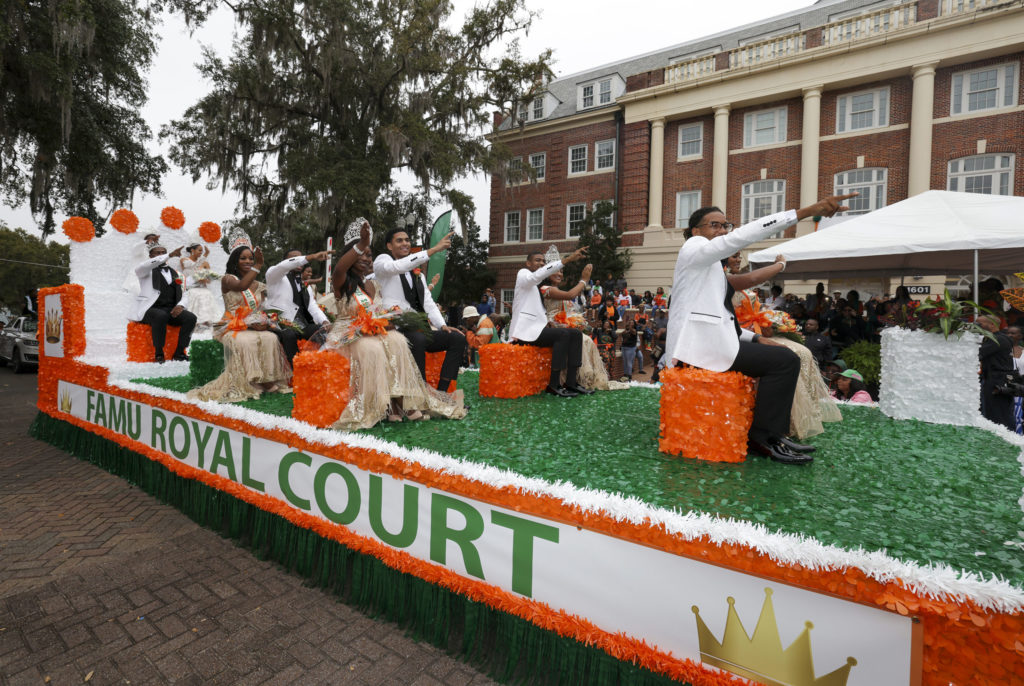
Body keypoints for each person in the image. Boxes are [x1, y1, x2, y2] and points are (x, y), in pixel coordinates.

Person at [665, 193, 856, 464]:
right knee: (785, 361)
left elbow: (718, 318)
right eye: (714, 225)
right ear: (695, 231)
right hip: (695, 351)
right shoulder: (693, 247)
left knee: (785, 356)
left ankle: (772, 434)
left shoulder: (711, 269)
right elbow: (738, 240)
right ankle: (762, 437)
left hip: (712, 344)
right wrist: (801, 213)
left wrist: (755, 337)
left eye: (724, 225)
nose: (722, 230)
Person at [326, 220, 466, 428]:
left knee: (399, 342)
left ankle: (402, 402)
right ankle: (386, 405)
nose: (366, 258)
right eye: (362, 254)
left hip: (377, 329)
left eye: (368, 254)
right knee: (383, 347)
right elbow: (340, 268)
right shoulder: (349, 277)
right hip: (350, 333)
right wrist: (362, 243)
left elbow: (424, 301)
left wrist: (441, 324)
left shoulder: (373, 284)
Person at [189, 243, 292, 401]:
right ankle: (249, 381)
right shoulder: (228, 279)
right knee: (244, 341)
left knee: (270, 337)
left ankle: (266, 379)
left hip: (251, 326)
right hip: (230, 326)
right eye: (243, 258)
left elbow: (263, 308)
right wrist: (258, 265)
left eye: (251, 258)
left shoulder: (259, 286)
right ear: (234, 261)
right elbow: (241, 286)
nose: (248, 261)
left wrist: (264, 322)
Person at [373, 227, 465, 393]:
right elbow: (397, 267)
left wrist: (442, 325)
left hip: (418, 328)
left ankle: (442, 392)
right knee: (418, 339)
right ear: (389, 246)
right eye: (399, 240)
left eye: (407, 240)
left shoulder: (418, 274)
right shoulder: (382, 262)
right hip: (394, 328)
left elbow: (427, 302)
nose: (405, 243)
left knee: (456, 338)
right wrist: (434, 250)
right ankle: (420, 394)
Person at [509, 247, 591, 397]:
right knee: (563, 334)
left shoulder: (535, 286)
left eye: (543, 261)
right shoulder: (523, 275)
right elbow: (536, 277)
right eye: (537, 260)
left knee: (575, 334)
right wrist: (567, 260)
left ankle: (571, 382)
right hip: (523, 333)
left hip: (536, 330)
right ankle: (554, 385)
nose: (541, 263)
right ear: (528, 263)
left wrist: (547, 322)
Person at [540, 265, 610, 391]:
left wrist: (575, 322)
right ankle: (561, 382)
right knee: (582, 340)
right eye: (556, 271)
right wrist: (584, 280)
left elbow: (566, 312)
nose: (560, 274)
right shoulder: (545, 289)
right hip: (549, 325)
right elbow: (569, 294)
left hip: (561, 326)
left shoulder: (558, 291)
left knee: (583, 338)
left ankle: (573, 381)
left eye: (561, 271)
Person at [128, 245, 196, 362]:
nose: (161, 255)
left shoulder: (177, 274)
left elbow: (185, 293)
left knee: (190, 318)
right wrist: (168, 255)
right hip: (150, 309)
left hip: (170, 309)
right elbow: (144, 266)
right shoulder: (145, 271)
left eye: (163, 252)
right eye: (157, 253)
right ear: (150, 256)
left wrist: (180, 305)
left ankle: (179, 353)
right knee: (160, 316)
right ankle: (159, 353)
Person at [264, 248, 333, 364]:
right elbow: (283, 266)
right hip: (280, 324)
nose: (299, 262)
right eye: (293, 258)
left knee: (320, 332)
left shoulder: (304, 284)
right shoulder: (274, 275)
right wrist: (311, 256)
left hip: (301, 324)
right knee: (289, 335)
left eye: (300, 258)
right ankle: (295, 370)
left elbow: (312, 306)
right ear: (285, 261)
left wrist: (325, 321)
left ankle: (319, 366)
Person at [978, 315, 1015, 431]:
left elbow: (977, 353)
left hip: (998, 382)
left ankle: (1007, 441)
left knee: (998, 416)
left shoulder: (998, 339)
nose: (977, 327)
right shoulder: (996, 338)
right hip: (994, 380)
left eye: (980, 324)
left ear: (992, 324)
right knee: (992, 414)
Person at [180, 243, 223, 328]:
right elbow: (193, 266)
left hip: (201, 286)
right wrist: (205, 255)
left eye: (202, 251)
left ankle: (208, 320)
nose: (201, 253)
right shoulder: (184, 260)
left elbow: (209, 278)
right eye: (199, 250)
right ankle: (197, 320)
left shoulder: (205, 263)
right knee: (197, 294)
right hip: (189, 286)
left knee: (207, 293)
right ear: (192, 250)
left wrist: (205, 280)